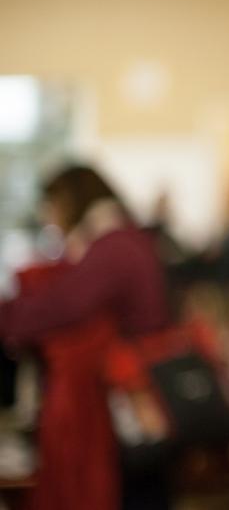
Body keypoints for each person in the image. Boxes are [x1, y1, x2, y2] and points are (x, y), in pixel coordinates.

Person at [0, 164, 174, 510]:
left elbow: (65, 304)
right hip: (136, 388)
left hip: (133, 394)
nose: (50, 219)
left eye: (52, 207)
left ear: (70, 201)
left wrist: (8, 319)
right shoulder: (121, 237)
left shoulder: (112, 245)